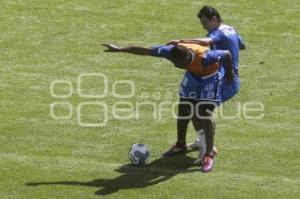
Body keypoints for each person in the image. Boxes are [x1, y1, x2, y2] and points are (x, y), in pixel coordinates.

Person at [102, 42, 234, 172]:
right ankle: (180, 144)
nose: (175, 65)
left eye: (177, 63)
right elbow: (146, 50)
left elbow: (226, 54)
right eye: (173, 62)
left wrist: (229, 75)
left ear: (187, 58)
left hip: (211, 76)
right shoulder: (170, 52)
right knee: (184, 107)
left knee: (205, 112)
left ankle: (209, 155)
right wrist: (119, 49)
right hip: (193, 75)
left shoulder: (206, 57)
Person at [166, 5, 246, 154]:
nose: (204, 27)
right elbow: (242, 45)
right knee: (194, 106)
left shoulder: (218, 33)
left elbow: (205, 42)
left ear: (214, 19)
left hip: (227, 82)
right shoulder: (231, 29)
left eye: (205, 23)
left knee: (202, 110)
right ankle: (201, 142)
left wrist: (181, 41)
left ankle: (209, 149)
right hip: (228, 78)